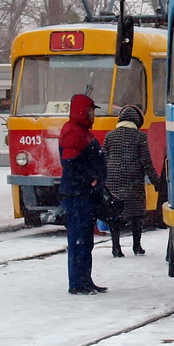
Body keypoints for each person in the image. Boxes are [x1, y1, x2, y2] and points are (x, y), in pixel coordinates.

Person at [59, 93, 108, 294]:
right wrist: (91, 179)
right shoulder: (74, 133)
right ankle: (78, 282)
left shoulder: (79, 131)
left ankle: (84, 279)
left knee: (84, 240)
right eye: (91, 111)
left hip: (82, 194)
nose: (93, 115)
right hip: (78, 195)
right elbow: (72, 163)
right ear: (83, 111)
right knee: (80, 240)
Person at [103, 104, 161, 257]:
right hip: (133, 180)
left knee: (114, 214)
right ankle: (137, 246)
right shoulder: (140, 137)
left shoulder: (110, 135)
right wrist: (157, 182)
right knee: (136, 215)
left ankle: (116, 247)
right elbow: (146, 162)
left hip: (113, 179)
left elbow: (103, 158)